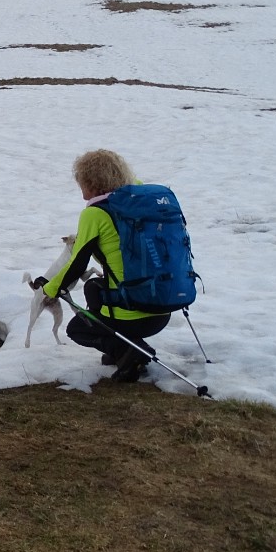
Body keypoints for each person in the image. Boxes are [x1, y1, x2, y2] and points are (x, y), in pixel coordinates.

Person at [37, 149, 171, 382]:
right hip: (164, 304)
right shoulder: (142, 199)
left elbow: (77, 264)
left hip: (134, 315)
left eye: (84, 187)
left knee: (77, 328)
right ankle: (119, 349)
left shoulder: (95, 214)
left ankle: (128, 351)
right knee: (93, 287)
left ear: (94, 183)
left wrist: (48, 289)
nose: (83, 197)